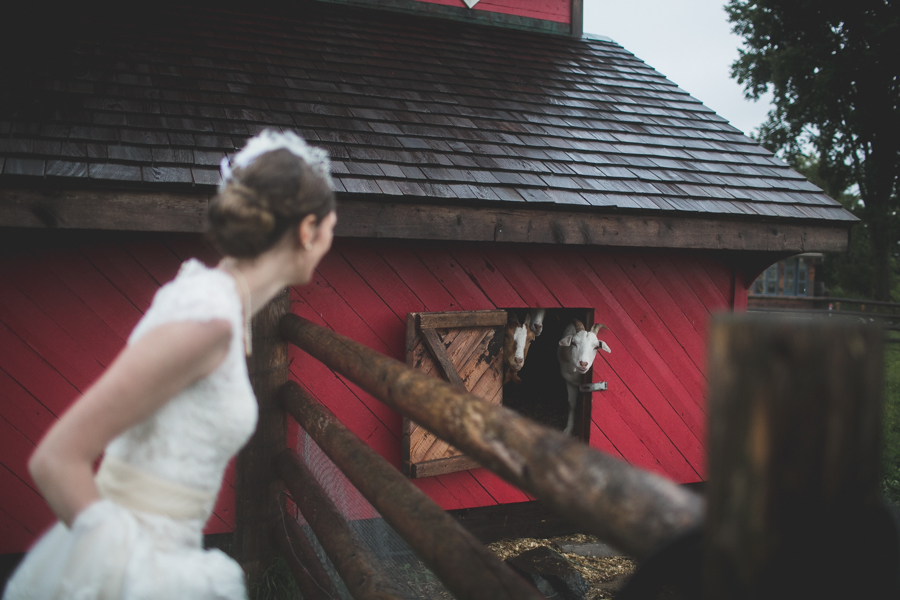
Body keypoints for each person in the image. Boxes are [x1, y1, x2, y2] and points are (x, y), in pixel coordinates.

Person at [3, 130, 337, 600]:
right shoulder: (208, 323)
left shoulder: (214, 303)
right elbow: (56, 459)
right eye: (330, 227)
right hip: (137, 569)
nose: (330, 240)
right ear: (307, 230)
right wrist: (130, 575)